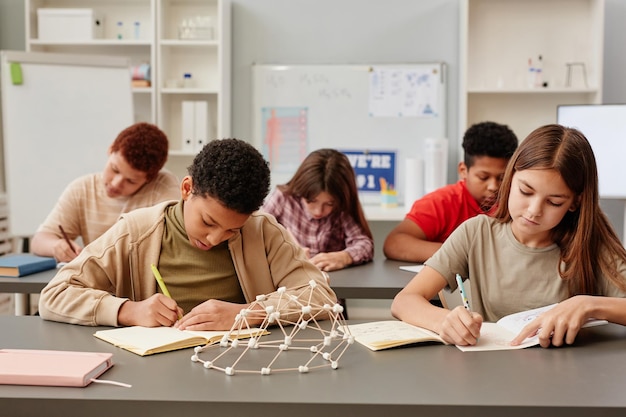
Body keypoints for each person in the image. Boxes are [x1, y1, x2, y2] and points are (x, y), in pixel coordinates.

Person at [38, 138, 337, 330]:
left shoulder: (263, 231)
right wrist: (128, 311)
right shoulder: (137, 230)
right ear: (186, 189)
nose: (215, 238)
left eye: (232, 229)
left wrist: (248, 313)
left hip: (241, 367)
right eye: (207, 222)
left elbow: (321, 296)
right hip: (156, 373)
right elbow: (54, 295)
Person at [390, 124, 626, 348]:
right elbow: (404, 301)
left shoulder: (591, 243)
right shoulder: (476, 233)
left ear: (575, 203)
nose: (534, 210)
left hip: (573, 375)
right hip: (492, 370)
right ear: (510, 178)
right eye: (525, 191)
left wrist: (589, 305)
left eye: (554, 202)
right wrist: (444, 320)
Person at [30, 122, 180, 263]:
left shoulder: (163, 187)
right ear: (110, 150)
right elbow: (39, 240)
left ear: (149, 179)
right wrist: (56, 246)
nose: (116, 183)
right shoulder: (82, 189)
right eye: (114, 169)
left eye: (131, 181)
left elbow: (176, 243)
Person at [383, 121, 518, 262]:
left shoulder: (517, 203)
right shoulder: (440, 203)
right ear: (463, 170)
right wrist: (460, 253)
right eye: (483, 177)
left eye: (502, 178)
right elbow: (394, 243)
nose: (493, 186)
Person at [262, 148, 373, 272]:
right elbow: (253, 233)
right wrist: (285, 252)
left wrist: (344, 257)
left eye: (329, 203)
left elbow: (365, 244)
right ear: (301, 189)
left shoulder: (342, 209)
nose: (318, 211)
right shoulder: (283, 198)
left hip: (333, 282)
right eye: (311, 201)